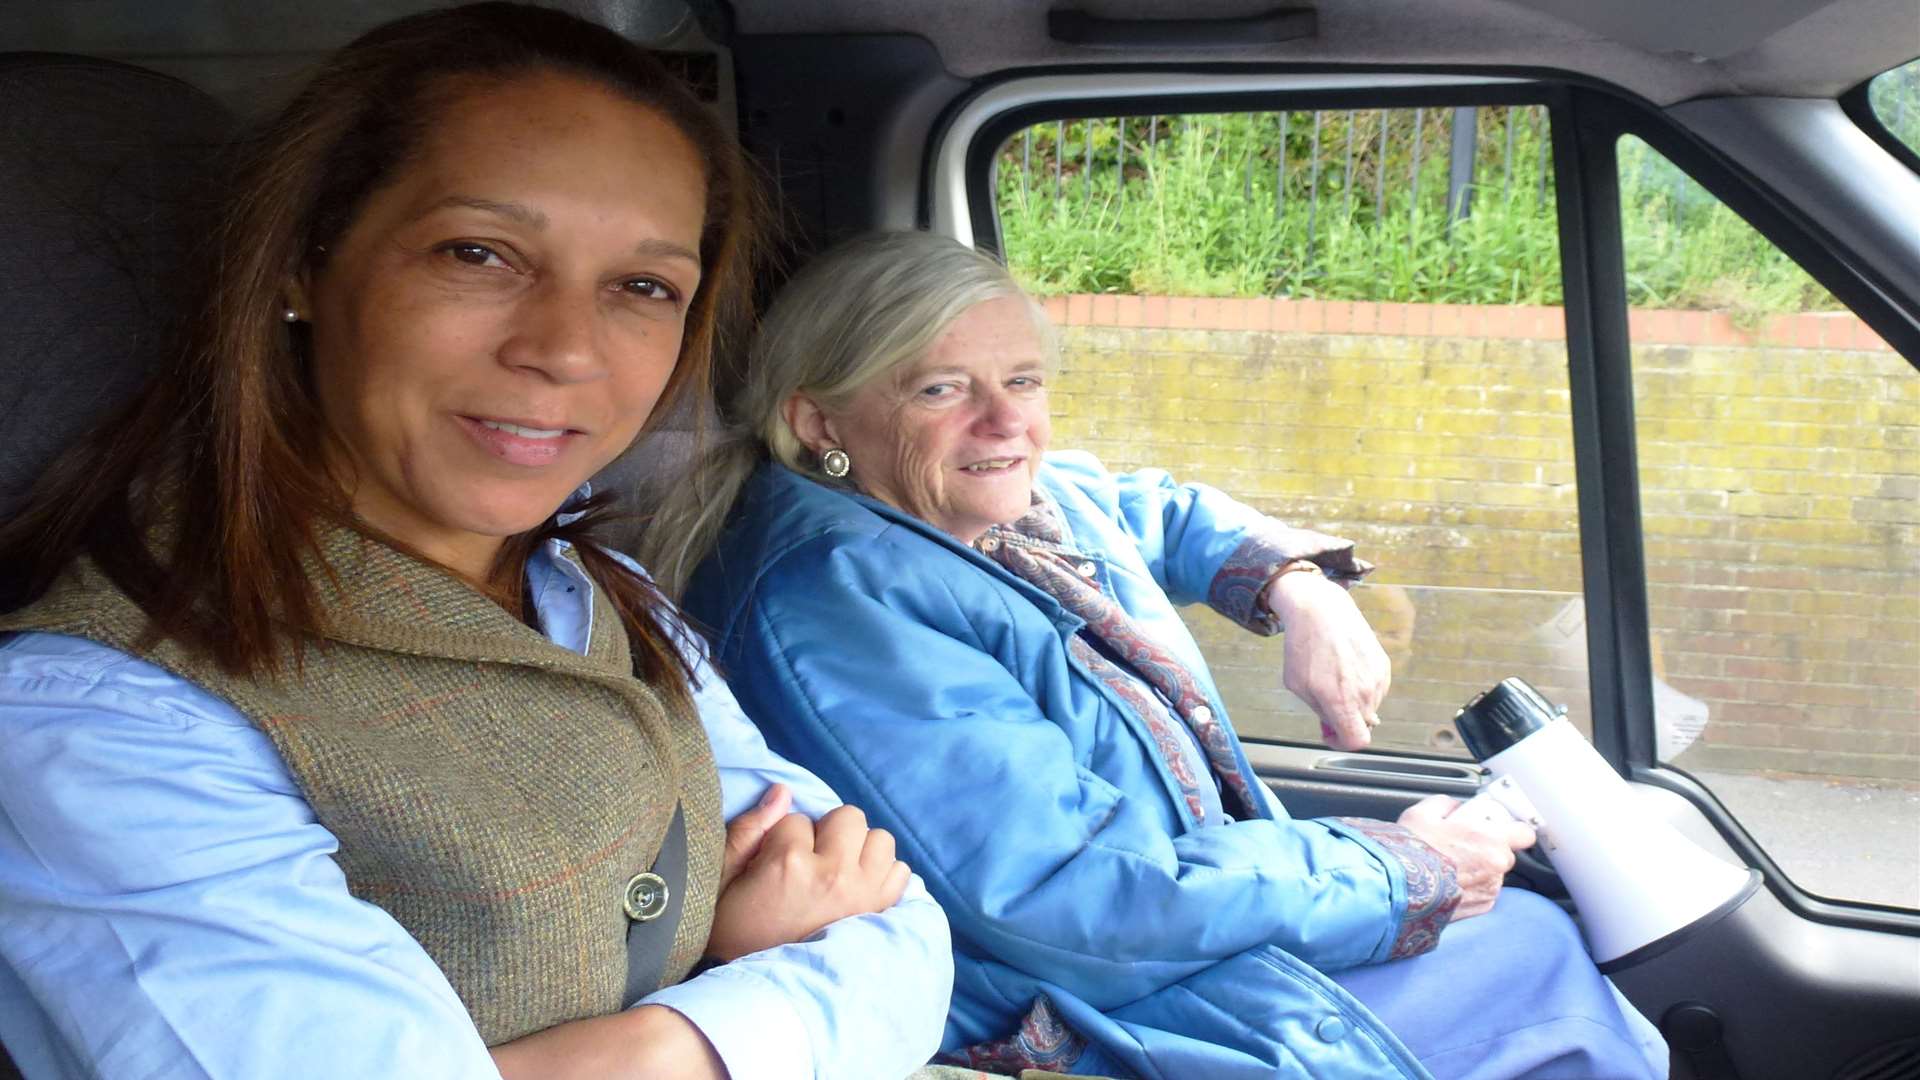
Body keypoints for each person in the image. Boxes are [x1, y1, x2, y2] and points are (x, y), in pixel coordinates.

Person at [0, 8, 952, 1079]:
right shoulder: (101, 717)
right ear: (304, 266)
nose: (564, 350)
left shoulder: (601, 586)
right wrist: (725, 1013)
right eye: (479, 253)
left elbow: (896, 922)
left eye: (643, 287)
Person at [666, 231, 1670, 1079]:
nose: (1009, 421)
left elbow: (1145, 506)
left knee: (1537, 939)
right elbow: (1070, 899)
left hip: (1178, 939)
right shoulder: (838, 598)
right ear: (818, 421)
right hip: (1100, 1014)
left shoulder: (981, 503)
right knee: (1540, 958)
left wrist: (1295, 585)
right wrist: (1406, 871)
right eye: (943, 388)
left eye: (1023, 379)